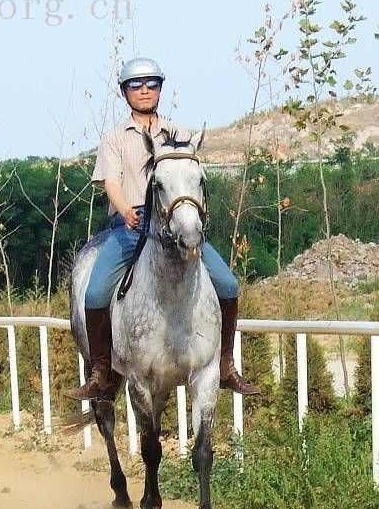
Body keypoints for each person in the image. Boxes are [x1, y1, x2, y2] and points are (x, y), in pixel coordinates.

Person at [64, 57, 260, 401]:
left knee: (228, 284)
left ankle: (226, 364)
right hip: (131, 222)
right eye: (136, 85)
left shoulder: (180, 134)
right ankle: (100, 372)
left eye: (151, 84)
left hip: (177, 222)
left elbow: (191, 180)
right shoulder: (114, 138)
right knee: (95, 293)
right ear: (125, 92)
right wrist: (124, 209)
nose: (144, 91)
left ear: (160, 89)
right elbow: (111, 180)